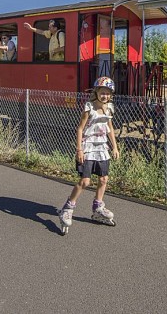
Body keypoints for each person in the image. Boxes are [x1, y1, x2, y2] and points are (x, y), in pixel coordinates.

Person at [57, 76, 120, 234]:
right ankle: (68, 208)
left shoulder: (109, 108)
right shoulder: (89, 107)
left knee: (104, 178)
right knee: (85, 181)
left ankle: (97, 206)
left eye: (108, 93)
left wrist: (115, 147)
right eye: (103, 92)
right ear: (97, 92)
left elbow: (110, 128)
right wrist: (79, 149)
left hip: (102, 148)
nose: (105, 96)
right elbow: (80, 129)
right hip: (88, 147)